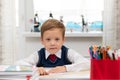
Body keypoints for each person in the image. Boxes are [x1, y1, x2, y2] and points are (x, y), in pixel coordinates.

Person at [15, 19, 90, 76]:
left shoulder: (68, 53)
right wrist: (35, 69)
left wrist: (65, 68)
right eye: (48, 39)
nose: (52, 43)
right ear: (42, 41)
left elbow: (87, 63)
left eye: (57, 39)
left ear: (63, 40)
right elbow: (18, 64)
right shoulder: (38, 55)